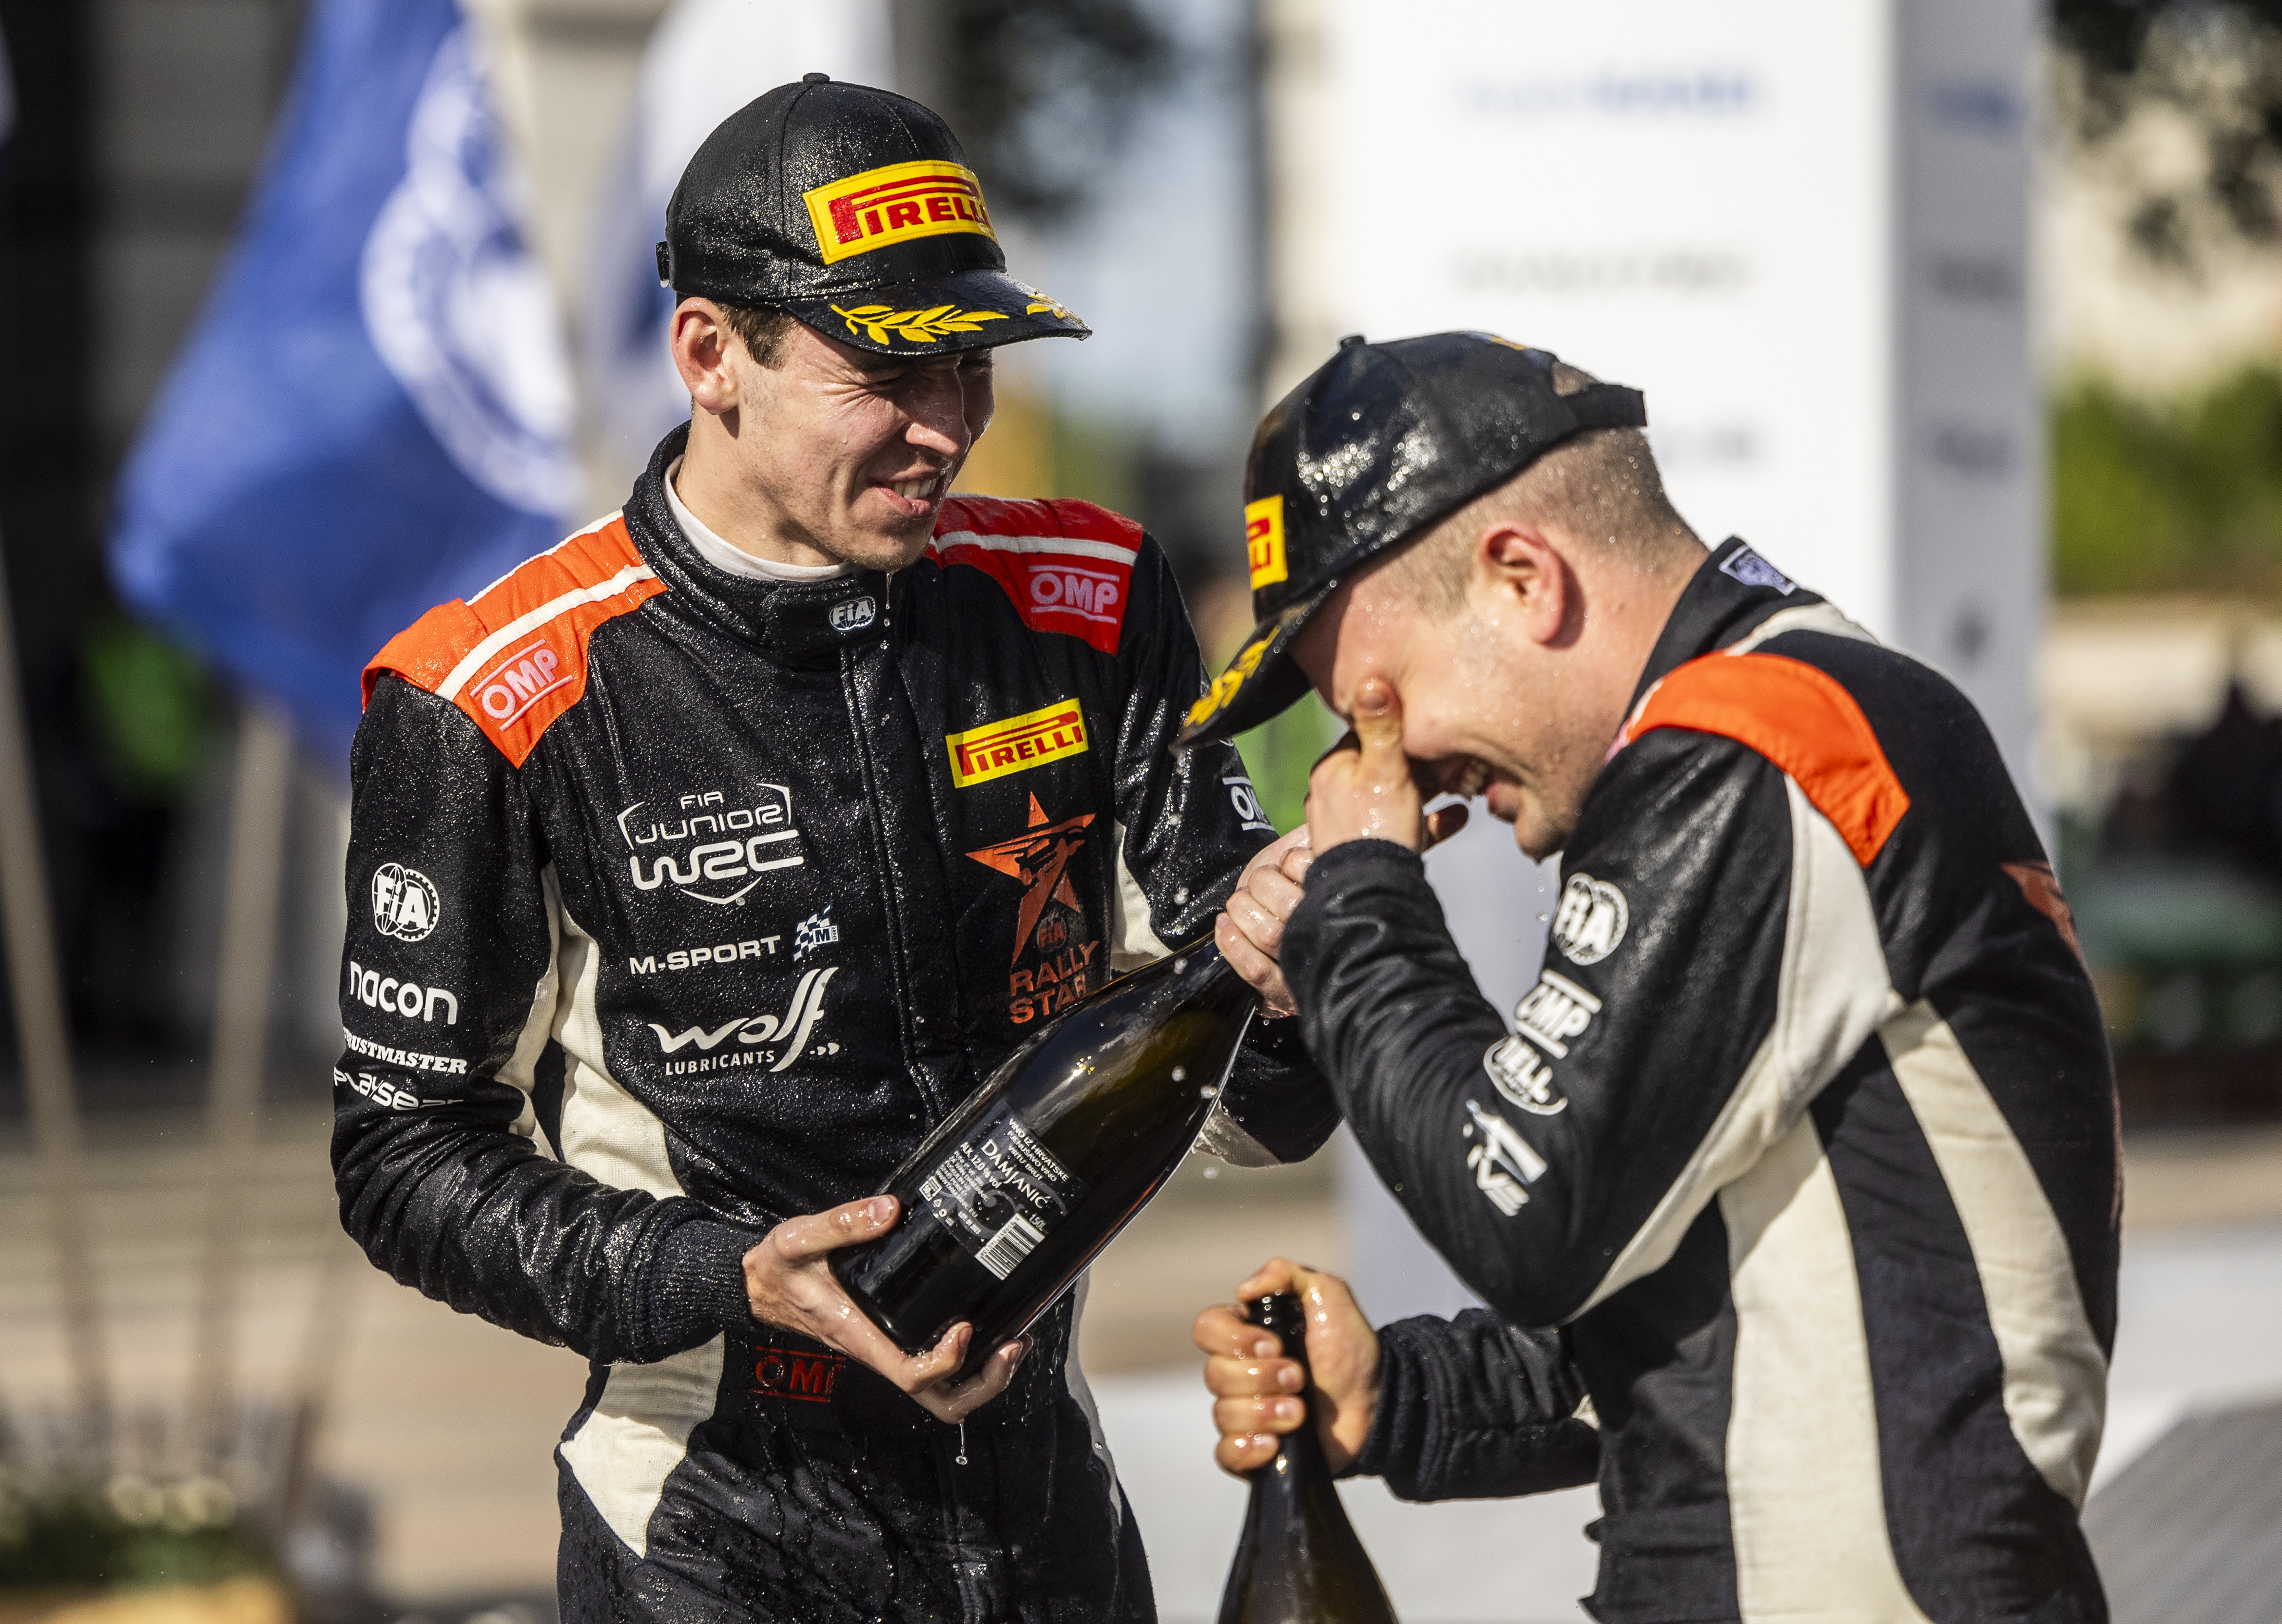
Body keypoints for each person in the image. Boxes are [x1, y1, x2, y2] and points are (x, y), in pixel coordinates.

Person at [330, 77, 1333, 1624]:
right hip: (711, 1525)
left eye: (971, 364)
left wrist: (1296, 963)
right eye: (887, 371)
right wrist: (728, 1275)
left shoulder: (1085, 598)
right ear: (709, 355)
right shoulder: (494, 695)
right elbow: (402, 1161)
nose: (948, 427)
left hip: (1046, 1518)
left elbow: (1278, 1105)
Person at [1192, 332, 2120, 1620]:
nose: (1380, 772)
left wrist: (1361, 896)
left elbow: (1526, 1212)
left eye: (1382, 708)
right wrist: (1397, 1398)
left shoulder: (1765, 742)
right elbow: (1684, 1299)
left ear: (1523, 578)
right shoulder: (1765, 735)